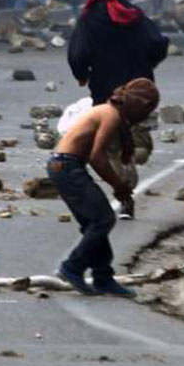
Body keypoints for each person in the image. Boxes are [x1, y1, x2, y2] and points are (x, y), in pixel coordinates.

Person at [50, 78, 160, 297]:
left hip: (63, 165)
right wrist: (118, 185)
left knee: (95, 222)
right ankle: (72, 267)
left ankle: (103, 277)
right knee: (104, 219)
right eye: (147, 110)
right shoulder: (110, 115)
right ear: (141, 105)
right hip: (67, 166)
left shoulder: (112, 113)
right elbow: (96, 156)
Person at [68, 0, 170, 105]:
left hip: (104, 88)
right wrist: (147, 64)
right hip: (138, 89)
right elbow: (158, 43)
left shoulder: (89, 17)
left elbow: (78, 54)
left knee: (107, 124)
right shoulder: (135, 13)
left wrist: (81, 76)